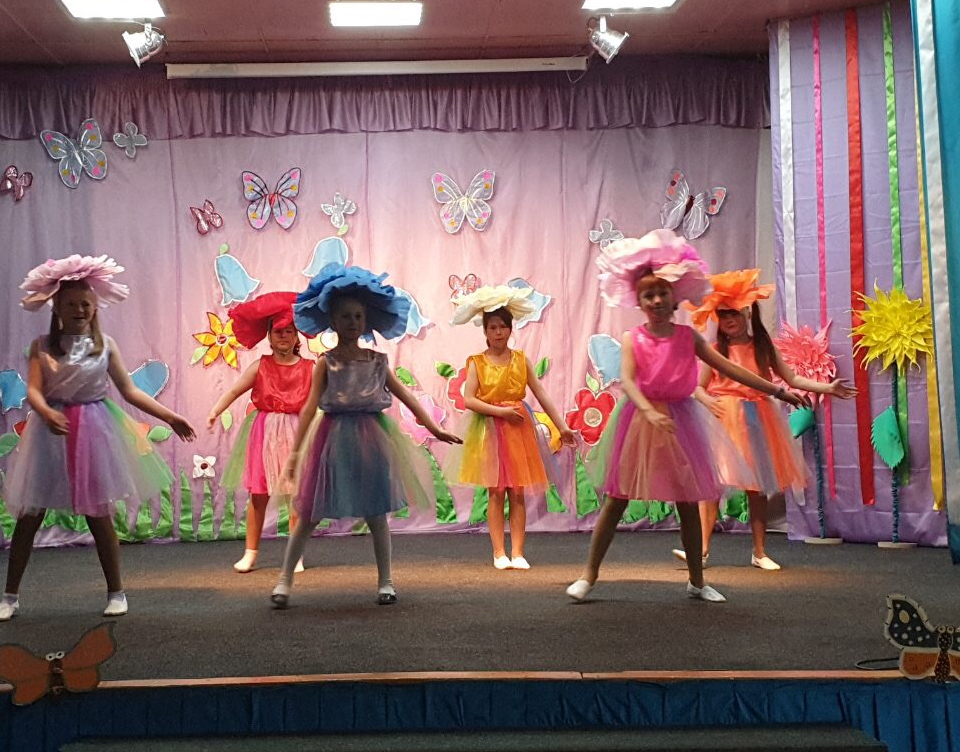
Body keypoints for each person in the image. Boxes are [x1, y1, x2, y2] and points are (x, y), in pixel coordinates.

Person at [565, 231, 807, 605]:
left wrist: (777, 391)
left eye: (662, 292)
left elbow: (730, 368)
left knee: (688, 502)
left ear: (675, 296)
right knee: (616, 500)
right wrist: (647, 410)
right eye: (649, 295)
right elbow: (627, 380)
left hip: (681, 422)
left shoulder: (688, 338)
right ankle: (588, 575)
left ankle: (697, 580)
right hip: (640, 422)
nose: (656, 300)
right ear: (639, 301)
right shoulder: (633, 338)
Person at [0, 255, 194, 622]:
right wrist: (46, 411)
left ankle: (116, 592)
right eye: (71, 304)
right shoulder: (42, 346)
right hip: (51, 434)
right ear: (57, 308)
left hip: (94, 431)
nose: (79, 310)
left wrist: (169, 415)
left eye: (85, 304)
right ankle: (9, 597)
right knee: (30, 516)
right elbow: (33, 390)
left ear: (95, 307)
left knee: (99, 515)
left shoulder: (105, 345)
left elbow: (130, 390)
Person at [270, 264, 461, 608]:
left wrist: (434, 428)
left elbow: (405, 396)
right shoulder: (325, 363)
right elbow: (310, 408)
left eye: (358, 316)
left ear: (366, 320)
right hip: (332, 440)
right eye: (345, 316)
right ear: (332, 320)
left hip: (372, 439)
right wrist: (296, 455)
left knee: (376, 513)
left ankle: (386, 581)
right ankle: (284, 579)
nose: (353, 322)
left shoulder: (377, 360)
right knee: (310, 511)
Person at [679, 269, 856, 570]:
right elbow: (697, 386)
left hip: (757, 419)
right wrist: (708, 400)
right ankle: (701, 550)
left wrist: (826, 388)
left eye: (734, 313)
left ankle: (759, 551)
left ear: (747, 312)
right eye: (722, 314)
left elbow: (792, 379)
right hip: (724, 421)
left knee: (757, 486)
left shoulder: (763, 347)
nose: (728, 320)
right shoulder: (715, 350)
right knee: (712, 486)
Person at [448, 285, 576, 569]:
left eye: (503, 326)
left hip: (518, 430)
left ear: (510, 328)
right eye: (493, 327)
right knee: (496, 491)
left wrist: (562, 426)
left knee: (517, 491)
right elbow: (469, 399)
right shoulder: (477, 362)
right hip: (491, 430)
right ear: (485, 331)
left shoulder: (520, 359)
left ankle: (517, 552)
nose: (498, 332)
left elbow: (541, 393)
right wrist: (500, 412)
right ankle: (499, 552)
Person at [212, 292, 314, 573]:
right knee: (258, 495)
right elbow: (234, 391)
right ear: (269, 335)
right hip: (265, 433)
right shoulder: (261, 366)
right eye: (278, 331)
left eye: (289, 331)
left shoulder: (309, 368)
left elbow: (322, 397)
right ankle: (250, 553)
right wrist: (215, 411)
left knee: (296, 496)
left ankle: (296, 554)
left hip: (296, 432)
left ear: (297, 336)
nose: (283, 336)